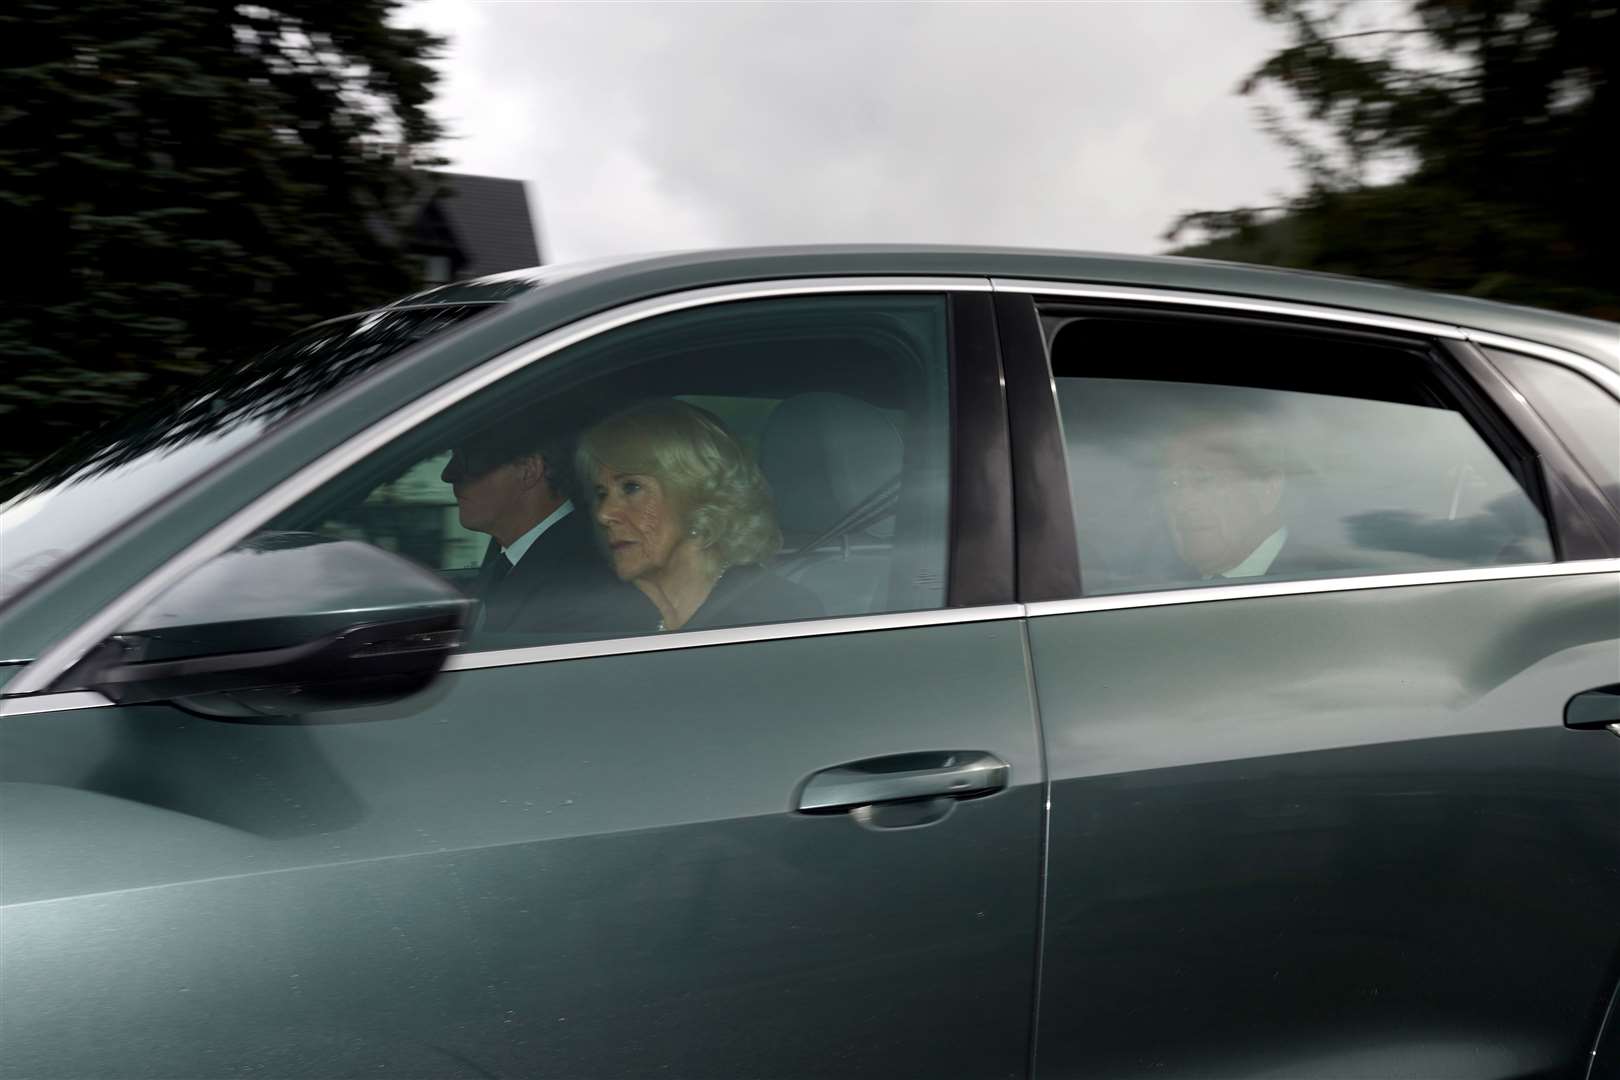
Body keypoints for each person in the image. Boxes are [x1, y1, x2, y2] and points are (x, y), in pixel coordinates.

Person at [575, 399, 822, 632]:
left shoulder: (778, 616)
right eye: (601, 493)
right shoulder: (596, 620)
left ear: (697, 495)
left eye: (631, 487)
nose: (604, 514)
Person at [440, 419, 653, 635]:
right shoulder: (507, 559)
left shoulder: (584, 583)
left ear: (529, 470)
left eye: (469, 460)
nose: (447, 475)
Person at [1156, 409, 1334, 583]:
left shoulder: (1327, 585)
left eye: (1203, 479)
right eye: (1172, 484)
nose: (1182, 503)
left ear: (1268, 488)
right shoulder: (1158, 591)